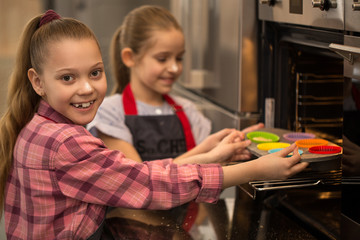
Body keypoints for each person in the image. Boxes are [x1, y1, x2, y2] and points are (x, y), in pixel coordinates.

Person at [0, 9, 308, 240]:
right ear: (38, 82)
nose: (86, 88)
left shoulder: (39, 125)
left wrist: (212, 153)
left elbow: (137, 175)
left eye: (95, 73)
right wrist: (257, 169)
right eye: (68, 77)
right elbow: (146, 182)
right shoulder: (66, 143)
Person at [86, 5, 265, 237]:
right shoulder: (111, 112)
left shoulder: (188, 111)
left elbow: (212, 174)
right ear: (130, 57)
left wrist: (238, 146)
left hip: (181, 230)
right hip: (127, 229)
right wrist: (207, 151)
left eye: (179, 58)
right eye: (162, 58)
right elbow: (139, 184)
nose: (174, 68)